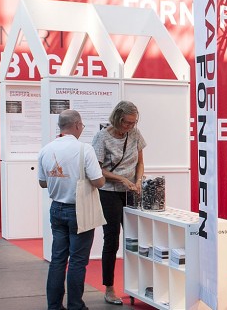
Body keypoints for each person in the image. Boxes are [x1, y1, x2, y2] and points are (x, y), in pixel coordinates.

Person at [38, 109, 105, 310]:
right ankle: (76, 305)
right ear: (77, 125)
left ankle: (54, 306)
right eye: (81, 126)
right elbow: (98, 181)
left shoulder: (46, 149)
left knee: (57, 260)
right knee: (77, 261)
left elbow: (42, 183)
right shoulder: (85, 149)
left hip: (56, 209)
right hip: (79, 210)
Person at [90, 101, 146, 305]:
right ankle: (109, 287)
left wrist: (138, 181)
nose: (129, 126)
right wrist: (121, 179)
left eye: (133, 122)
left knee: (136, 239)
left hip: (131, 192)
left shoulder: (135, 134)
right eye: (126, 122)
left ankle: (138, 285)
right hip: (109, 193)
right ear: (117, 118)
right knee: (112, 240)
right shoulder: (102, 137)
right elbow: (97, 169)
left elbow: (140, 162)